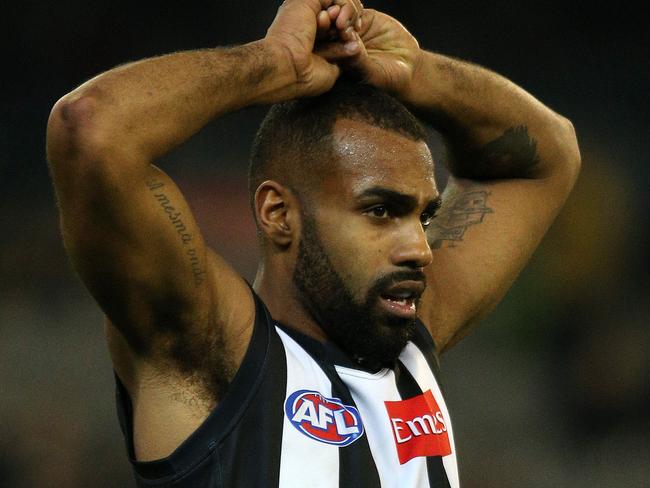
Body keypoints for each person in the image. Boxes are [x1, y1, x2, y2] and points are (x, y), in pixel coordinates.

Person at [46, 0, 580, 486]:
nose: (420, 247)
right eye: (380, 211)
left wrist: (416, 73)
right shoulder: (211, 354)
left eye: (424, 215)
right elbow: (92, 130)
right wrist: (275, 63)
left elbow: (550, 152)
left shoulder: (410, 334)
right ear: (279, 214)